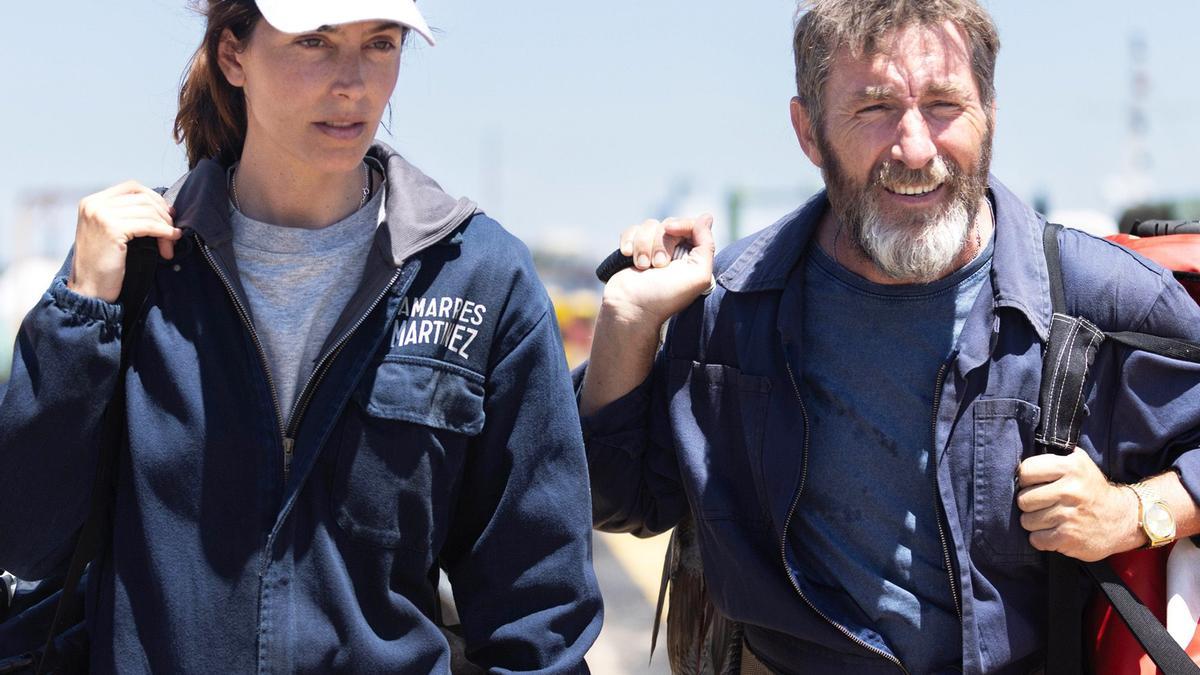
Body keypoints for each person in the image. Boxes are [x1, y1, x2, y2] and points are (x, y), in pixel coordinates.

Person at [578, 0, 1200, 672]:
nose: (914, 148)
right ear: (808, 131)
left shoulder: (1094, 296)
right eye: (874, 108)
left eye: (943, 104)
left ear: (989, 112)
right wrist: (628, 324)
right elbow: (619, 500)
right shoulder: (731, 307)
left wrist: (1134, 511)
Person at [0, 0, 602, 671]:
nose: (354, 82)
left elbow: (538, 608)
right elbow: (25, 539)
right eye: (314, 41)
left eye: (380, 43)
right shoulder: (136, 266)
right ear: (233, 56)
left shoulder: (478, 277)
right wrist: (80, 311)